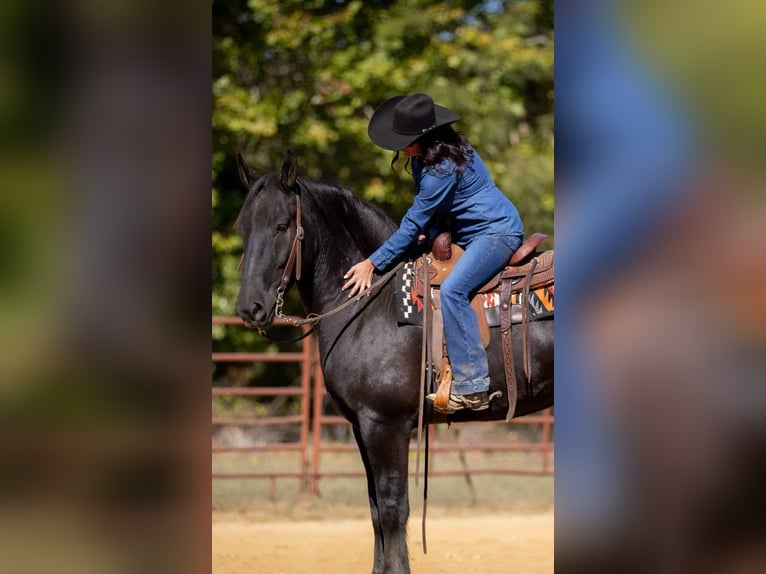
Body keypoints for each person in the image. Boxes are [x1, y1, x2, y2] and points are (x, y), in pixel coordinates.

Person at [342, 92, 524, 411]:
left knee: (453, 291)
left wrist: (373, 262)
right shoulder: (423, 157)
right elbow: (430, 215)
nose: (400, 147)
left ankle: (472, 386)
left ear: (425, 136)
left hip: (496, 233)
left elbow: (414, 222)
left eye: (405, 140)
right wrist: (437, 230)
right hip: (470, 235)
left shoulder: (442, 166)